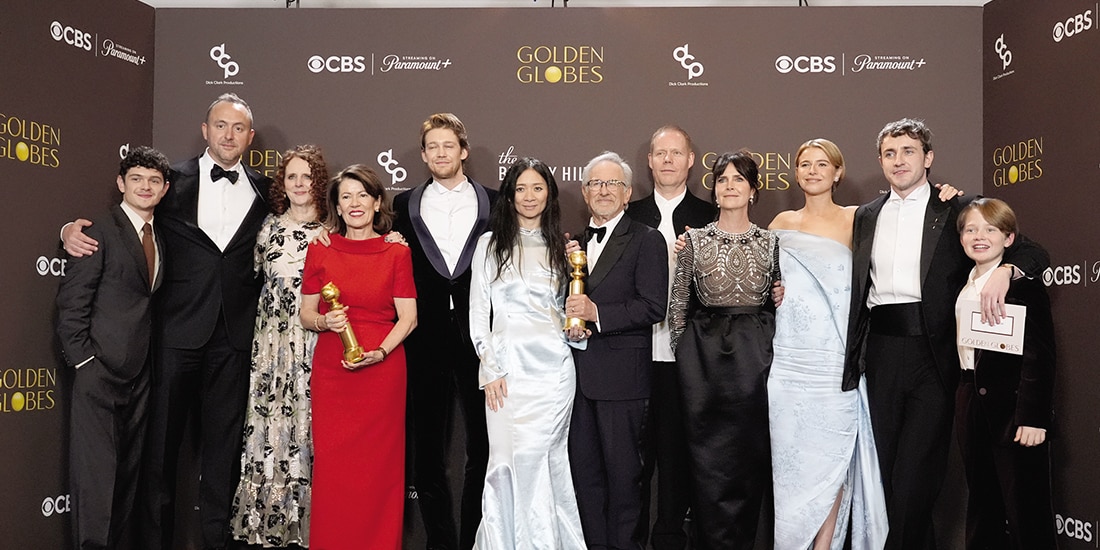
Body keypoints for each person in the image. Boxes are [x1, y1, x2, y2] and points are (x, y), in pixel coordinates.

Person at [63, 93, 274, 550]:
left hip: (235, 338)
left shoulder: (266, 190)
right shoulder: (169, 181)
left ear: (250, 137)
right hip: (174, 335)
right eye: (220, 125)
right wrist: (69, 231)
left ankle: (218, 540)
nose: (229, 135)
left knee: (224, 454)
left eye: (238, 128)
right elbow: (126, 222)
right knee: (158, 454)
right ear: (205, 130)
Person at [843, 118, 1049, 550]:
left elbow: (1033, 250)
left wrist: (1008, 271)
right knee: (888, 471)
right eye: (890, 153)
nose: (899, 161)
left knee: (918, 472)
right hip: (880, 352)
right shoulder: (866, 215)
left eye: (909, 151)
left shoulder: (957, 207)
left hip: (935, 355)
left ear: (928, 158)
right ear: (880, 161)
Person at [766, 139, 888, 550]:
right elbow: (762, 280)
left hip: (835, 363)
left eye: (822, 164)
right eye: (805, 164)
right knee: (792, 469)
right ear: (796, 172)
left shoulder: (859, 219)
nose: (813, 171)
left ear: (838, 173)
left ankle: (822, 546)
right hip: (787, 363)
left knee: (830, 461)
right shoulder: (780, 223)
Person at [56, 146, 171, 550]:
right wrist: (85, 362)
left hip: (141, 376)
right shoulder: (97, 232)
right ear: (121, 183)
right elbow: (72, 305)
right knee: (96, 482)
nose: (145, 186)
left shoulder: (161, 236)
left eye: (154, 180)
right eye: (136, 179)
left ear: (165, 188)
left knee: (126, 481)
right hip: (99, 373)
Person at [469, 157, 586, 549]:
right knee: (504, 462)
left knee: (544, 460)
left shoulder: (562, 248)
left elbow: (565, 313)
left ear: (549, 194)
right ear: (509, 195)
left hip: (553, 373)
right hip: (505, 372)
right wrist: (490, 368)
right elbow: (478, 313)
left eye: (537, 188)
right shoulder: (489, 245)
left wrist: (578, 330)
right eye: (521, 189)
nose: (529, 196)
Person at [299, 164, 417, 550]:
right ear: (336, 205)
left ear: (377, 202)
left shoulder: (396, 251)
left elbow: (409, 318)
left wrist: (380, 352)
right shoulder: (320, 248)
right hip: (334, 373)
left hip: (382, 374)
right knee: (335, 469)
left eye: (363, 195)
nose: (355, 203)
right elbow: (306, 314)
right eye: (346, 196)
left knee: (379, 470)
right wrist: (324, 322)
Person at [392, 113, 494, 550]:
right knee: (427, 448)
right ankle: (440, 541)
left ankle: (474, 537)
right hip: (422, 337)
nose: (440, 153)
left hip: (481, 338)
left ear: (463, 150)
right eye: (432, 147)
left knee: (484, 445)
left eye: (448, 145)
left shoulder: (495, 202)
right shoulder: (402, 206)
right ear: (423, 155)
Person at [668, 151, 778, 550]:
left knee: (751, 458)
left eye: (739, 180)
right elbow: (678, 307)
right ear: (714, 190)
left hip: (756, 365)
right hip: (703, 367)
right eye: (722, 180)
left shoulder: (772, 241)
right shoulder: (694, 241)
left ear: (753, 190)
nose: (730, 186)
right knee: (707, 463)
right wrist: (686, 360)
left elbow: (777, 303)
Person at [566, 151, 668, 550]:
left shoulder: (646, 239)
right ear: (585, 192)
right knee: (586, 481)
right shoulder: (571, 244)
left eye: (613, 184)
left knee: (625, 482)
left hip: (623, 382)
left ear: (627, 194)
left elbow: (653, 306)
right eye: (596, 183)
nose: (604, 190)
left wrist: (597, 313)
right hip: (574, 382)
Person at [229, 145, 329, 547]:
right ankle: (267, 520)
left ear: (318, 182)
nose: (299, 184)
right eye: (292, 177)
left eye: (307, 176)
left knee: (311, 422)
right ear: (282, 184)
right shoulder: (267, 227)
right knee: (271, 423)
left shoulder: (333, 229)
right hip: (271, 343)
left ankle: (314, 523)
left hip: (315, 339)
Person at [627, 126, 715, 550]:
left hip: (688, 359)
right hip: (633, 357)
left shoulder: (712, 215)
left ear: (691, 160)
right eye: (660, 153)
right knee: (633, 461)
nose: (667, 160)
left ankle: (670, 540)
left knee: (680, 460)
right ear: (649, 160)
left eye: (676, 153)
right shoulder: (627, 214)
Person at [954, 198, 1056, 549]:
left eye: (990, 229)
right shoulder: (962, 282)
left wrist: (1033, 418)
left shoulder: (1023, 284)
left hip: (1013, 409)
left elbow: (1040, 355)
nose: (979, 237)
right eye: (970, 230)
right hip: (970, 399)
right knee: (983, 507)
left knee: (1027, 512)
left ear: (1009, 238)